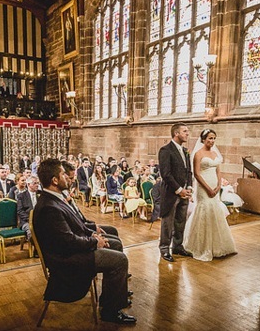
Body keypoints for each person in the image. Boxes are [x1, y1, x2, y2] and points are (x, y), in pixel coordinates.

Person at [32, 159, 135, 324]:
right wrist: (94, 242)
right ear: (55, 180)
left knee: (114, 243)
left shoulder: (54, 199)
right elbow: (67, 242)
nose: (68, 177)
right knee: (120, 260)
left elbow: (75, 226)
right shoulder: (49, 207)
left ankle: (114, 297)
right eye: (64, 174)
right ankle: (110, 311)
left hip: (72, 251)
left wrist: (93, 235)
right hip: (67, 260)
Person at [182, 129, 237, 261]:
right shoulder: (198, 154)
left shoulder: (214, 153)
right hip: (203, 187)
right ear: (203, 139)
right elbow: (196, 174)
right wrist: (208, 189)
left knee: (215, 211)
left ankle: (218, 246)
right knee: (204, 210)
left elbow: (218, 170)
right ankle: (202, 246)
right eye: (209, 138)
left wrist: (218, 186)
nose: (212, 141)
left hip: (215, 185)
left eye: (214, 138)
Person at [158, 122, 193, 262]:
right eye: (185, 131)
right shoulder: (166, 150)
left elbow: (188, 171)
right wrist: (179, 190)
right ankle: (164, 249)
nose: (187, 133)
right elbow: (166, 174)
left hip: (184, 192)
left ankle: (178, 246)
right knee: (168, 222)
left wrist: (189, 188)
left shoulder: (185, 151)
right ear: (176, 133)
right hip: (172, 193)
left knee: (180, 221)